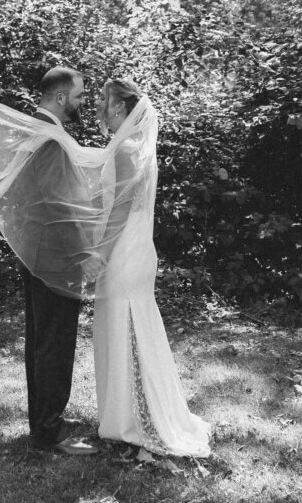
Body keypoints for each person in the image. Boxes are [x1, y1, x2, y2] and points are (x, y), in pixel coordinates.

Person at [0, 67, 99, 456]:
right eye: (78, 96)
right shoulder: (50, 139)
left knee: (42, 340)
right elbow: (59, 205)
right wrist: (84, 253)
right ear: (60, 98)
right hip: (55, 255)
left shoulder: (33, 131)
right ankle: (49, 433)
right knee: (54, 342)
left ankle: (46, 418)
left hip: (36, 252)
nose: (81, 103)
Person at [90, 78, 210, 457]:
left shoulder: (124, 149)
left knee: (125, 326)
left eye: (104, 101)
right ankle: (133, 410)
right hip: (136, 247)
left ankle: (135, 418)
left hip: (123, 250)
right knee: (130, 325)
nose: (98, 106)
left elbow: (120, 209)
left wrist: (99, 254)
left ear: (121, 109)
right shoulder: (132, 146)